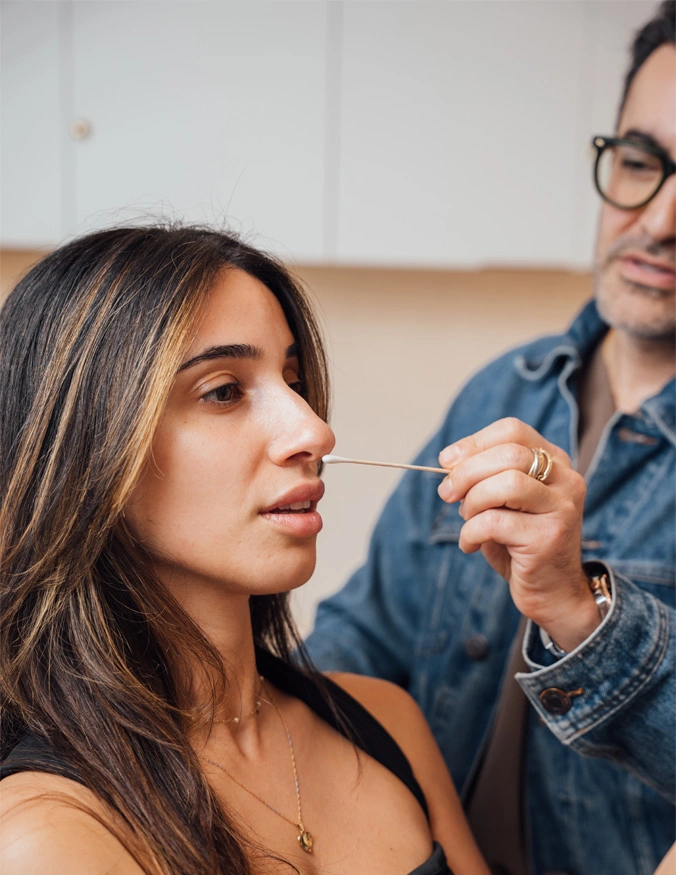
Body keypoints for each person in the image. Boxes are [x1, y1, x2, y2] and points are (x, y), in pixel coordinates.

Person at [306, 3, 675, 874]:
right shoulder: (503, 388)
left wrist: (584, 616)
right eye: (640, 162)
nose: (658, 222)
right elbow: (366, 640)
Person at [0, 225, 490, 874]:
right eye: (224, 390)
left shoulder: (388, 725)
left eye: (293, 378)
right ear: (88, 452)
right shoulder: (47, 838)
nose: (314, 429)